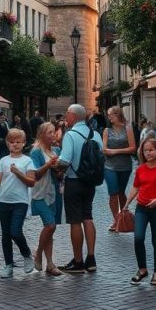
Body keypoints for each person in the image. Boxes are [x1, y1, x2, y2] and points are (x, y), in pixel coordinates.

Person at [56, 103, 103, 274]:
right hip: (90, 182)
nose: (65, 116)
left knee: (75, 221)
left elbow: (64, 161)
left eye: (67, 113)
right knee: (87, 217)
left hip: (74, 181)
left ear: (73, 116)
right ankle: (91, 259)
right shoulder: (95, 134)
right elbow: (101, 155)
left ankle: (78, 261)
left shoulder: (70, 135)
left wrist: (56, 168)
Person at [0, 129, 36, 278]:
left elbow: (31, 182)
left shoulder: (27, 161)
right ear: (7, 143)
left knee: (15, 231)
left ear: (24, 143)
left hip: (20, 201)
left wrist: (18, 172)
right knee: (6, 235)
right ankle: (8, 265)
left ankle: (26, 254)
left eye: (18, 142)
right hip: (4, 201)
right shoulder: (3, 161)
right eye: (12, 142)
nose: (15, 144)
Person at [124, 138, 156, 286]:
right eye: (145, 150)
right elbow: (135, 187)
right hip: (142, 208)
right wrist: (127, 203)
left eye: (151, 150)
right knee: (138, 238)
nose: (148, 153)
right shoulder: (140, 169)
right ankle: (142, 270)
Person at [30, 122, 62, 276]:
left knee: (51, 228)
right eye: (50, 132)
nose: (53, 135)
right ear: (42, 134)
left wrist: (59, 171)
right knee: (50, 225)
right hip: (40, 193)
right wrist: (49, 165)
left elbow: (60, 174)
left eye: (54, 132)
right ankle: (38, 253)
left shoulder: (57, 150)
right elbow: (35, 174)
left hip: (53, 193)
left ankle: (50, 263)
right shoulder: (36, 152)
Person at [102, 106, 136, 231]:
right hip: (109, 165)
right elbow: (104, 149)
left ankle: (123, 217)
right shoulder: (107, 130)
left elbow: (133, 148)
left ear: (118, 114)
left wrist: (115, 151)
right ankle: (116, 220)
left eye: (112, 114)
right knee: (113, 192)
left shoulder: (128, 128)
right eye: (108, 115)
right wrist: (109, 151)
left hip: (125, 165)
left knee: (121, 192)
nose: (109, 117)